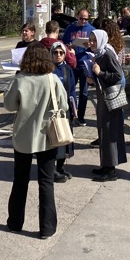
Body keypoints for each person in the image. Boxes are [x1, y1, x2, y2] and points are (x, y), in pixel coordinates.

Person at [4, 42, 68, 239]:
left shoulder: (20, 80)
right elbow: (64, 104)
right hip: (47, 136)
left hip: (23, 136)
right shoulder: (52, 79)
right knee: (46, 182)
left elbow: (8, 105)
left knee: (20, 180)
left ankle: (15, 222)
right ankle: (47, 228)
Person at [87, 29, 126, 181]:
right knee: (103, 130)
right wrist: (92, 78)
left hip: (110, 98)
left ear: (101, 40)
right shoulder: (98, 54)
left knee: (110, 131)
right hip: (103, 98)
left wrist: (100, 73)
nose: (91, 43)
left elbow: (117, 75)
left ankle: (111, 170)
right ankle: (106, 164)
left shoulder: (107, 54)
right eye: (90, 40)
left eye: (94, 40)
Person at [62, 9, 96, 125]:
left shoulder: (91, 30)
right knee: (70, 90)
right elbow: (63, 45)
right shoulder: (70, 29)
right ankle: (71, 114)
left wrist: (90, 45)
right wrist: (70, 46)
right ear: (77, 17)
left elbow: (96, 47)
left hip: (85, 64)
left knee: (84, 92)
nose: (83, 21)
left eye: (86, 19)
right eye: (81, 18)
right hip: (72, 64)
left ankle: (81, 116)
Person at [50, 41, 76, 182]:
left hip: (65, 109)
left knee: (65, 139)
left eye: (61, 53)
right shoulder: (48, 69)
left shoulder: (68, 70)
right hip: (52, 110)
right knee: (54, 139)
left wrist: (74, 108)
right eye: (55, 53)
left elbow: (72, 90)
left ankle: (60, 167)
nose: (58, 55)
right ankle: (52, 170)